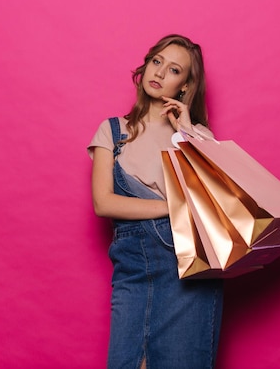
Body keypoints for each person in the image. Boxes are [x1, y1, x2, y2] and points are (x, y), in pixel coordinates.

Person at [88, 34, 224, 369]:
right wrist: (170, 208)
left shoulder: (198, 137)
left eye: (174, 69)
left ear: (185, 86)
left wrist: (187, 131)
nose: (160, 72)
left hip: (189, 267)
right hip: (132, 268)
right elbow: (103, 203)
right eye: (157, 61)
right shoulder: (113, 131)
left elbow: (214, 201)